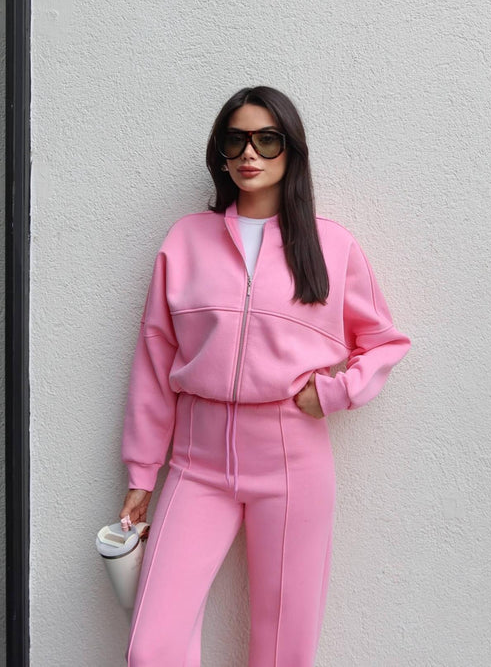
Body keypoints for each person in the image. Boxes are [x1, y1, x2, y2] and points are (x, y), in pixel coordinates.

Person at [119, 86, 410, 667]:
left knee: (282, 651)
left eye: (267, 139)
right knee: (152, 647)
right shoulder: (186, 239)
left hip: (291, 461)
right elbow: (154, 357)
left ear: (291, 150)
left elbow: (383, 341)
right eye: (236, 140)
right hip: (196, 461)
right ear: (221, 154)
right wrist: (143, 472)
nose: (249, 153)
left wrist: (335, 392)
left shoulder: (331, 245)